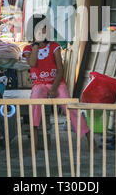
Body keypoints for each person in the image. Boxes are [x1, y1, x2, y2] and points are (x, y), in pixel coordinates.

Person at [22, 14, 97, 154]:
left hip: (57, 82)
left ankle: (90, 140)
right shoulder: (28, 49)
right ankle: (34, 143)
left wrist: (55, 88)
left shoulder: (54, 47)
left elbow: (60, 70)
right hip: (39, 84)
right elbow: (32, 63)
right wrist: (36, 46)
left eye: (44, 29)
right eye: (38, 30)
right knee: (35, 105)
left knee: (71, 107)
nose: (42, 32)